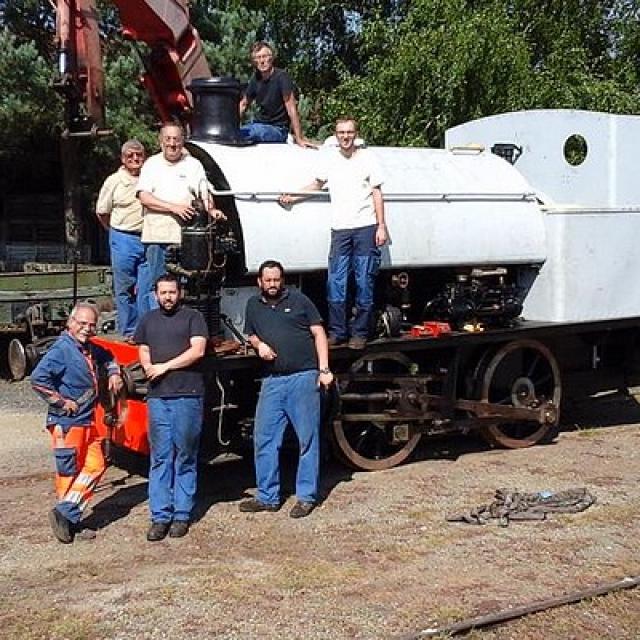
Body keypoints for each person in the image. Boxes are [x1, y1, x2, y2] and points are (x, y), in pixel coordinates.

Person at [279, 117, 388, 349]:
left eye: (349, 132)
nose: (345, 137)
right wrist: (293, 196)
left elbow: (377, 192)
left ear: (355, 134)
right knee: (336, 282)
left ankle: (360, 333)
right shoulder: (330, 159)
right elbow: (317, 185)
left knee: (363, 281)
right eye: (341, 132)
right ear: (336, 135)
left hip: (365, 228)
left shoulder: (368, 158)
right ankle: (338, 331)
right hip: (340, 230)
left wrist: (381, 225)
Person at [239, 260, 333, 518]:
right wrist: (258, 345)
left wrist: (323, 370)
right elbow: (251, 334)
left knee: (307, 439)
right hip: (272, 380)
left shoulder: (300, 300)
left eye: (276, 279)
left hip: (303, 377)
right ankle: (267, 496)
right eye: (267, 280)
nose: (272, 284)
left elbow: (319, 333)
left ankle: (306, 496)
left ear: (283, 280)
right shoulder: (253, 305)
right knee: (264, 439)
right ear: (259, 282)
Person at [31, 302, 123, 544]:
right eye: (82, 323)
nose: (87, 329)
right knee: (69, 472)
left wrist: (114, 373)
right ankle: (70, 523)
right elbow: (38, 380)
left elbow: (109, 357)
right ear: (70, 323)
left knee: (95, 465)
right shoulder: (61, 350)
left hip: (87, 420)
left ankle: (65, 514)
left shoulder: (90, 348)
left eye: (92, 325)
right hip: (67, 422)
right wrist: (61, 402)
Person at [133, 273, 209, 541]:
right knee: (160, 457)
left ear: (180, 293)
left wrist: (164, 366)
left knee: (185, 455)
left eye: (172, 292)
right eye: (163, 293)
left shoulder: (193, 318)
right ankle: (160, 516)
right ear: (155, 295)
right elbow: (142, 348)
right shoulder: (148, 320)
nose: (168, 297)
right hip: (158, 398)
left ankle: (181, 515)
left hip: (187, 394)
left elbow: (198, 350)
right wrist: (147, 366)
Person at [137, 123, 224, 312]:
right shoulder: (151, 164)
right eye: (168, 139)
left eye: (176, 139)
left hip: (186, 238)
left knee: (185, 286)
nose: (172, 144)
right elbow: (144, 197)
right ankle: (157, 329)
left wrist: (212, 210)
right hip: (157, 236)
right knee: (157, 284)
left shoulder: (193, 165)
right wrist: (173, 208)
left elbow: (204, 193)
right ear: (161, 142)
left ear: (182, 141)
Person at [96, 139, 147, 341]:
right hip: (123, 237)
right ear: (123, 159)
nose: (135, 159)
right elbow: (102, 212)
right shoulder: (114, 181)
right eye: (130, 156)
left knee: (146, 288)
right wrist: (114, 232)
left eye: (139, 155)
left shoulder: (151, 177)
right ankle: (128, 331)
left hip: (148, 237)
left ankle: (145, 331)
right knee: (125, 287)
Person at [239, 41, 315, 147]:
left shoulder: (282, 77)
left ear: (271, 58)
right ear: (254, 61)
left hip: (278, 129)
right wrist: (230, 125)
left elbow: (292, 109)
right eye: (258, 58)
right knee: (241, 131)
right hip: (259, 124)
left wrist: (299, 138)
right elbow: (243, 104)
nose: (262, 61)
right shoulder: (255, 79)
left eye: (264, 56)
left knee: (252, 132)